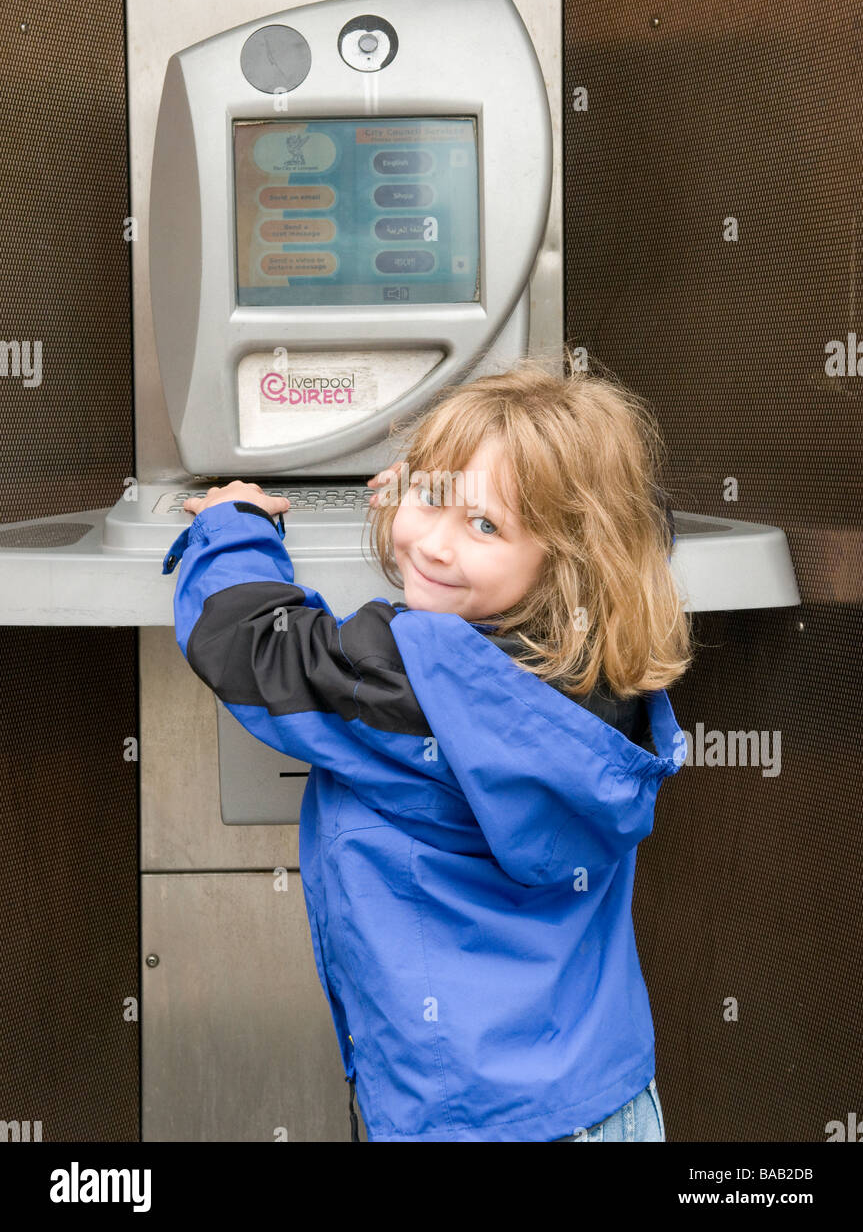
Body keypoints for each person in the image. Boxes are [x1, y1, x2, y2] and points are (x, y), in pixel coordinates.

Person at [161, 347, 693, 1143]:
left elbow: (250, 646)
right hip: (607, 1100)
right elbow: (634, 518)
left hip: (461, 1118)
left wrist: (234, 524)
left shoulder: (422, 678)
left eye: (483, 526)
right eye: (430, 501)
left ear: (565, 560)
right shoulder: (604, 664)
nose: (436, 546)